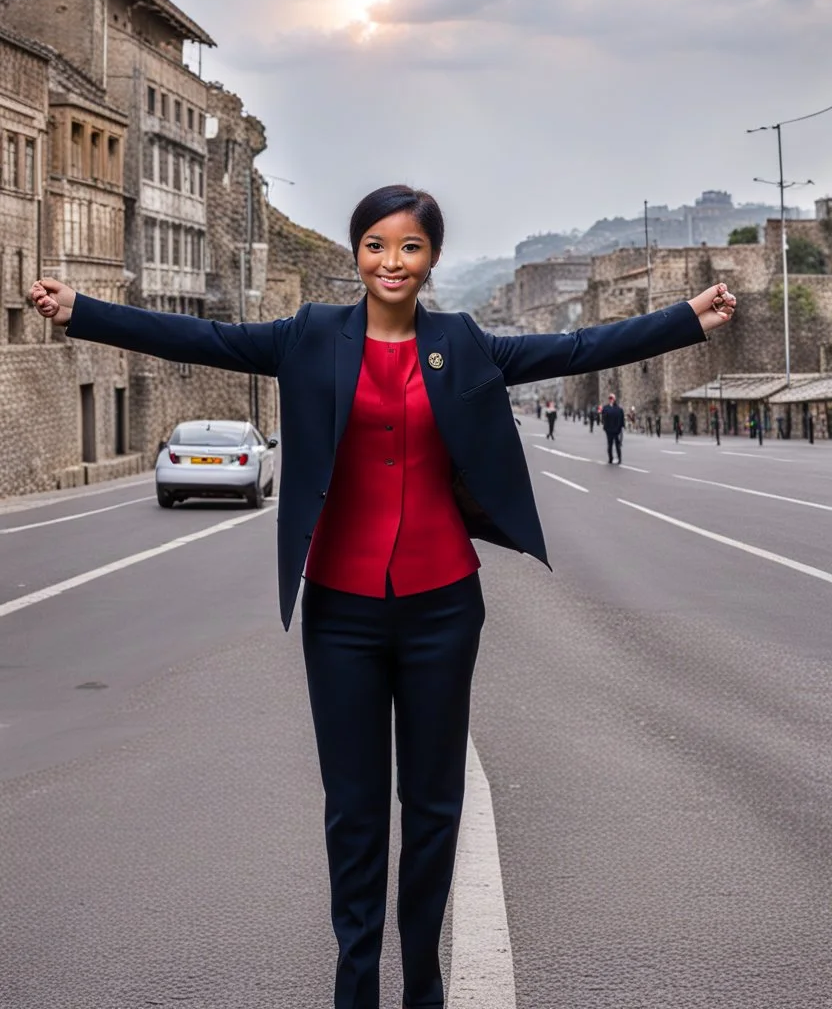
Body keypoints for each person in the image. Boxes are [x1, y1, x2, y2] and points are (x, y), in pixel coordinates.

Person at [30, 185, 737, 1009]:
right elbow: (200, 336)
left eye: (408, 247)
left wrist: (686, 317)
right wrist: (82, 308)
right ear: (356, 253)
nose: (390, 262)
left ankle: (424, 982)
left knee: (433, 807)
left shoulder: (462, 342)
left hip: (442, 607)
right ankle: (355, 983)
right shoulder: (310, 338)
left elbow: (577, 345)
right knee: (355, 811)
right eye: (375, 244)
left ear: (430, 257)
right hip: (340, 610)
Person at [601, 392, 626, 464]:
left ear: (614, 399)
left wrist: (621, 427)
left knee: (617, 445)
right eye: (610, 398)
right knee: (610, 445)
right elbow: (603, 418)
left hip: (617, 430)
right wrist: (605, 427)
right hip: (609, 430)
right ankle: (610, 458)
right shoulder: (606, 408)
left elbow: (621, 419)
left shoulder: (619, 409)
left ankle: (619, 458)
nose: (611, 400)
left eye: (612, 398)